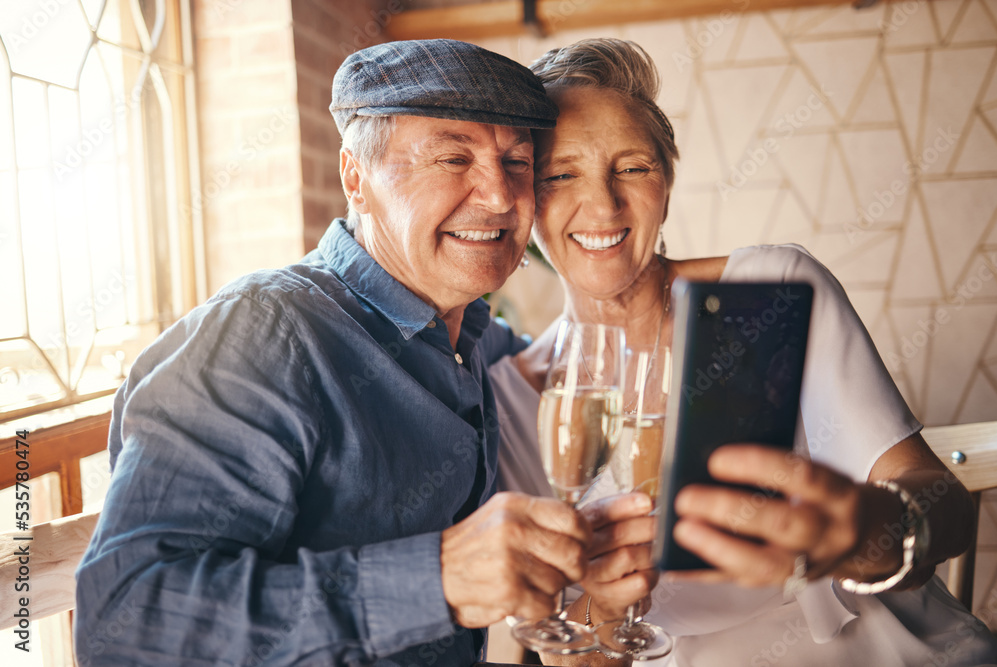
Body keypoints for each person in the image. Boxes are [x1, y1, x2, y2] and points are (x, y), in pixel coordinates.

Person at [73, 39, 649, 666]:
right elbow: (124, 626)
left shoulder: (471, 334)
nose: (500, 197)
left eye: (517, 163)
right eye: (453, 158)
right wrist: (441, 579)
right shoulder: (261, 335)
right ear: (356, 178)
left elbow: (591, 350)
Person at [490, 38, 997, 665]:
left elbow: (946, 508)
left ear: (667, 185)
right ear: (526, 202)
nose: (603, 204)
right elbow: (573, 655)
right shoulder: (513, 399)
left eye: (633, 167)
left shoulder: (773, 290)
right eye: (560, 174)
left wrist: (864, 531)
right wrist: (603, 609)